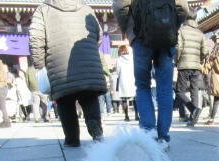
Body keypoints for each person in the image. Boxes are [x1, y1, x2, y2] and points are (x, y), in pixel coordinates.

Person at [113, 0, 189, 150]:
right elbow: (182, 7)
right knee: (165, 88)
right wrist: (170, 24)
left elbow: (120, 6)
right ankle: (163, 138)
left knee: (142, 86)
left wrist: (129, 30)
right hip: (166, 35)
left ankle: (149, 133)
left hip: (140, 35)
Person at [30, 0, 107, 147]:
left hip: (59, 64)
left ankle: (72, 139)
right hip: (87, 60)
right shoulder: (86, 8)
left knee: (65, 100)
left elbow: (36, 40)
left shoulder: (43, 10)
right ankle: (95, 128)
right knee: (89, 96)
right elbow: (99, 35)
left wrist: (40, 65)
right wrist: (88, 49)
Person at [175, 10, 207, 127]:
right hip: (196, 65)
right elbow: (205, 51)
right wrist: (200, 59)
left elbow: (178, 47)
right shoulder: (200, 33)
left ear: (185, 18)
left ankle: (193, 110)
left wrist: (176, 60)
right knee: (194, 90)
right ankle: (193, 118)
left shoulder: (181, 31)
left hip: (184, 64)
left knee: (179, 91)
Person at [116, 45, 138, 121]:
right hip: (132, 78)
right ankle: (136, 115)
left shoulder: (119, 59)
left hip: (123, 80)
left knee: (124, 99)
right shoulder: (132, 57)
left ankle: (126, 116)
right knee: (135, 98)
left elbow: (117, 71)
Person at [26, 56, 50, 123]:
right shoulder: (43, 68)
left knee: (35, 104)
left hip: (34, 89)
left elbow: (27, 81)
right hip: (43, 88)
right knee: (44, 103)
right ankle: (45, 117)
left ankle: (37, 118)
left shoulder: (29, 69)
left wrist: (30, 88)